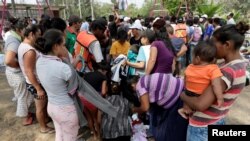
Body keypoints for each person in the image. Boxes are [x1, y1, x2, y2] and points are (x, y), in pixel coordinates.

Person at [180, 22, 249, 141]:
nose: (210, 47)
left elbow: (200, 104)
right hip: (217, 119)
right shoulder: (239, 65)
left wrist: (182, 95)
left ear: (227, 45)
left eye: (213, 43)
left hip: (202, 128)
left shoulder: (227, 71)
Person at [35, 29, 79, 140]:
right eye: (63, 45)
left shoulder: (39, 61)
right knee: (69, 138)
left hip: (52, 107)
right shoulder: (63, 67)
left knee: (59, 135)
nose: (65, 48)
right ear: (55, 46)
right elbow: (74, 88)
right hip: (66, 110)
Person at [18, 24, 54, 133]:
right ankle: (43, 128)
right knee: (40, 107)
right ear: (31, 34)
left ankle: (45, 120)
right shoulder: (29, 51)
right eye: (37, 35)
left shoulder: (23, 45)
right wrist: (38, 88)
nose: (38, 38)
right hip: (35, 82)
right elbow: (29, 71)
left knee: (42, 106)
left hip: (34, 81)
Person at [129, 74, 188, 141]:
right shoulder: (144, 78)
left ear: (132, 85)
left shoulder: (139, 86)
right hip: (180, 91)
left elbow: (145, 107)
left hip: (178, 97)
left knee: (174, 132)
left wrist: (134, 110)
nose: (135, 92)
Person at [178, 41, 224, 118]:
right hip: (201, 94)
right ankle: (188, 111)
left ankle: (185, 109)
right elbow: (216, 84)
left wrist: (186, 90)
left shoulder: (190, 67)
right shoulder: (213, 68)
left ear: (198, 58)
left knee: (188, 100)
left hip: (188, 92)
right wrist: (220, 98)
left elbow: (185, 80)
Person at [4, 18, 34, 126]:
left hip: (12, 72)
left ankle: (26, 113)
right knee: (22, 96)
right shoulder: (14, 41)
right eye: (24, 31)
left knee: (21, 95)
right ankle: (25, 118)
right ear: (18, 30)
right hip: (15, 73)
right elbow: (8, 60)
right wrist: (21, 66)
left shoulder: (13, 37)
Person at [83, 61, 110, 140]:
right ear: (105, 70)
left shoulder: (87, 74)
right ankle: (99, 136)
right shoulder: (103, 77)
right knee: (96, 119)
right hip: (93, 99)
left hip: (83, 98)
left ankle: (94, 135)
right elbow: (104, 92)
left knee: (89, 118)